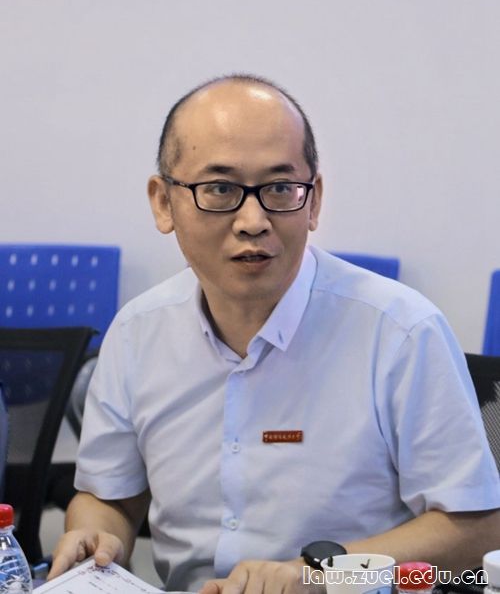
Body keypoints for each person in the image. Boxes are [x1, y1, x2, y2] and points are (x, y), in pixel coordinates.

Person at [49, 75, 500, 593]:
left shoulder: (400, 332)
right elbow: (110, 497)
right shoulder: (136, 333)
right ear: (163, 203)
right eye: (220, 189)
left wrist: (322, 575)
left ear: (314, 201)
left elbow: (477, 532)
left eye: (281, 189)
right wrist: (96, 535)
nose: (253, 220)